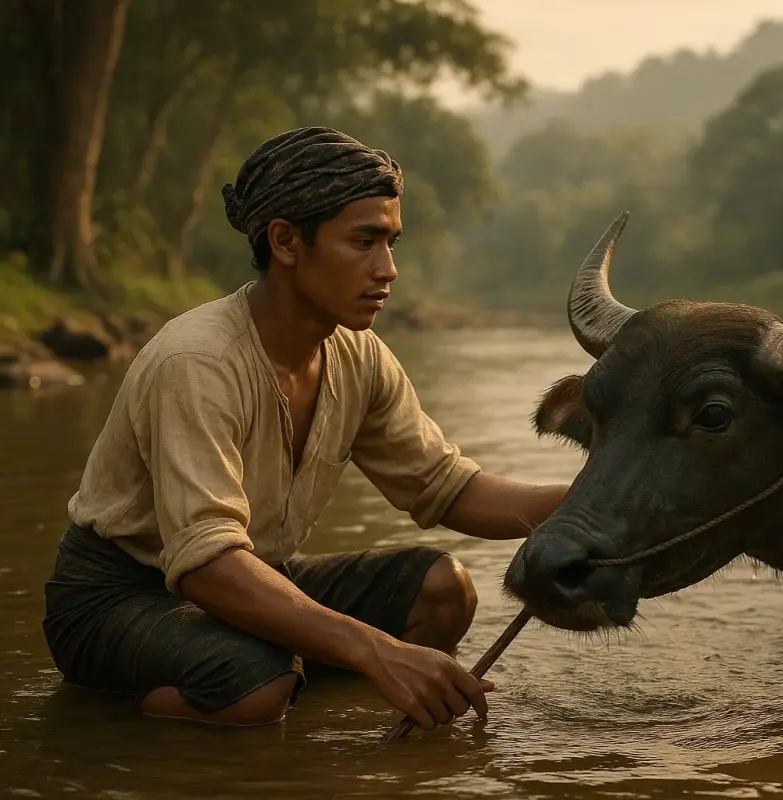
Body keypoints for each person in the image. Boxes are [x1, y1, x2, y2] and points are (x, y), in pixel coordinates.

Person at [41, 127, 570, 731]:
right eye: (364, 242)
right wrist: (380, 652)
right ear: (287, 242)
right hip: (118, 598)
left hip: (253, 574)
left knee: (443, 591)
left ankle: (286, 686)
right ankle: (113, 732)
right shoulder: (199, 362)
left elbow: (449, 488)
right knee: (255, 686)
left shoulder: (359, 355)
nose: (389, 269)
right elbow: (206, 563)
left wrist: (596, 502)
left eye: (391, 242)